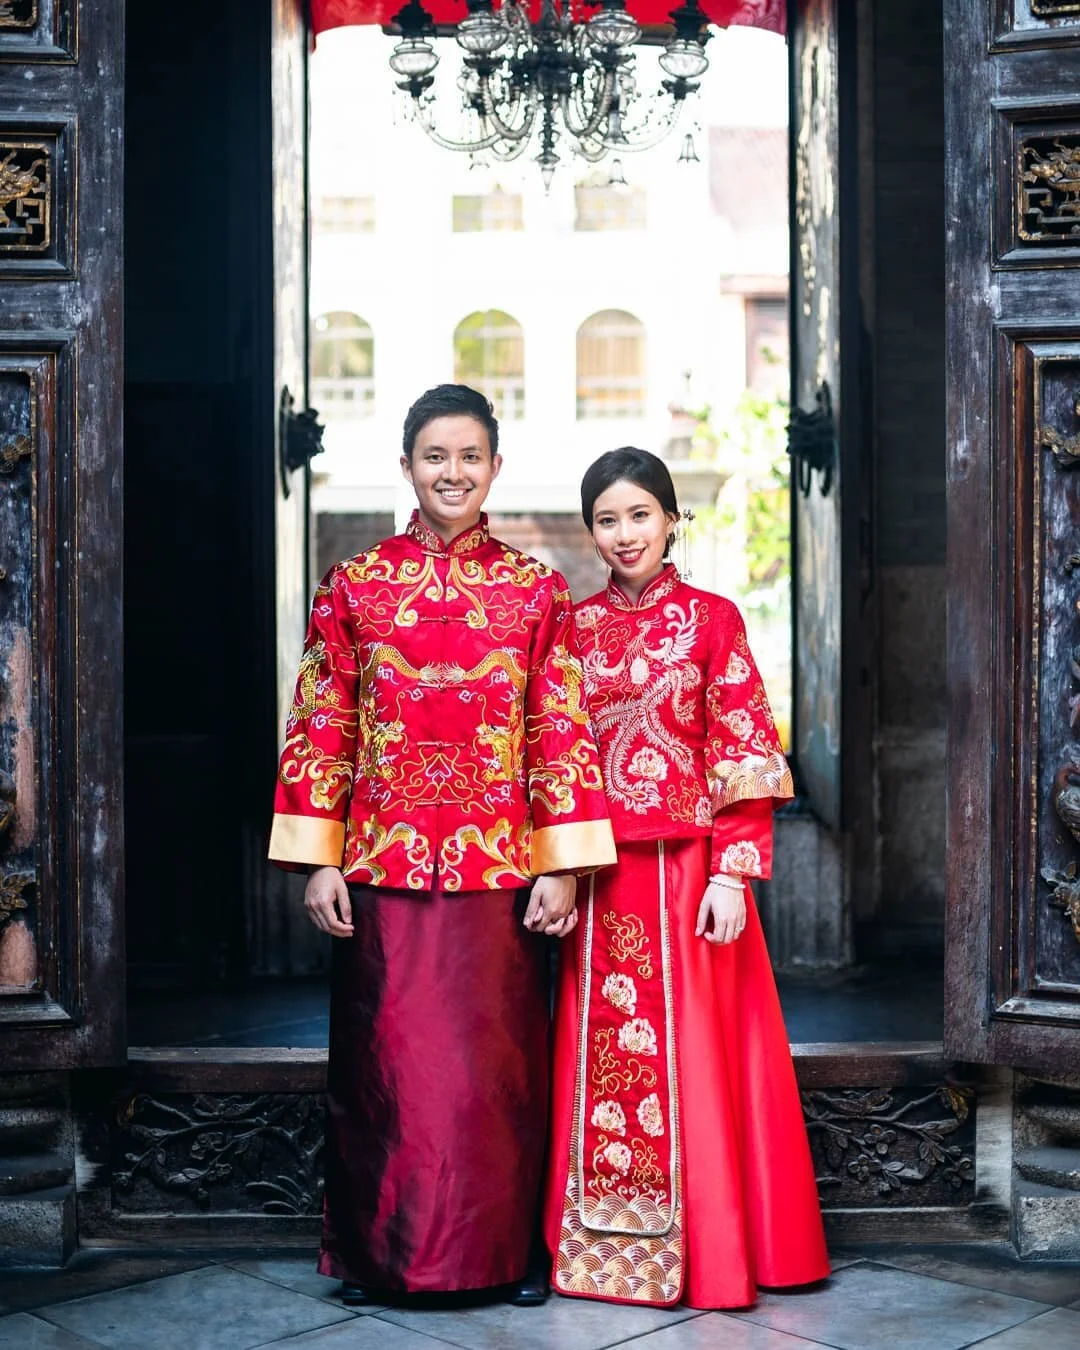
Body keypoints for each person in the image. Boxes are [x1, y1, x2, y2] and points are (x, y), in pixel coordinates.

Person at [269, 385, 616, 1305]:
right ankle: (378, 1256)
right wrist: (318, 859)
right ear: (407, 467)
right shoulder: (355, 586)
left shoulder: (535, 591)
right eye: (435, 456)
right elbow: (321, 724)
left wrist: (567, 868)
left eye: (469, 457)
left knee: (494, 1081)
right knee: (386, 1073)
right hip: (381, 871)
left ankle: (504, 1259)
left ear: (495, 468)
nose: (452, 473)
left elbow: (561, 732)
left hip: (498, 874)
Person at [544, 447, 830, 1309]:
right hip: (595, 883)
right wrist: (554, 864)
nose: (624, 534)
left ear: (672, 520)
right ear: (589, 529)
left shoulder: (712, 621)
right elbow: (553, 753)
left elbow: (743, 751)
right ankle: (599, 1252)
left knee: (700, 1064)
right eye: (607, 519)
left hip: (686, 881)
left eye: (640, 515)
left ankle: (711, 1255)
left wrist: (732, 876)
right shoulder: (573, 628)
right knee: (594, 1059)